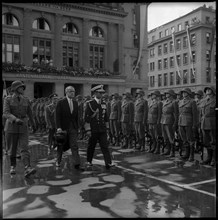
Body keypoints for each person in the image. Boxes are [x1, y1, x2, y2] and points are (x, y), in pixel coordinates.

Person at [3, 80, 37, 177]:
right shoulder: (8, 99)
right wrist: (15, 119)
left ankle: (28, 167)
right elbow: (6, 113)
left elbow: (30, 113)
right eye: (20, 87)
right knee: (12, 149)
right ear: (15, 89)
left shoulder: (26, 99)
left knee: (24, 147)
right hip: (11, 126)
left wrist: (33, 124)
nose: (22, 89)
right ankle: (12, 166)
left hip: (23, 126)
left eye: (23, 87)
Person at [84, 85, 114, 169]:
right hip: (93, 129)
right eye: (100, 93)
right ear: (95, 93)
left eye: (102, 93)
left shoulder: (103, 103)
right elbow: (86, 118)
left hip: (102, 129)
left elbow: (106, 117)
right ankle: (89, 161)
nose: (101, 95)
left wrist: (107, 128)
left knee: (104, 146)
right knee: (91, 146)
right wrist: (88, 130)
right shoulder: (90, 104)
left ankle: (108, 162)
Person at [55, 86, 84, 171]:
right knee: (61, 145)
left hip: (73, 127)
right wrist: (59, 127)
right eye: (71, 91)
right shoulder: (61, 102)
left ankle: (77, 164)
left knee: (74, 146)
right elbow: (57, 116)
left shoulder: (75, 103)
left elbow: (76, 116)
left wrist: (77, 127)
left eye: (74, 92)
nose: (73, 93)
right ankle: (58, 161)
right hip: (63, 127)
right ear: (66, 92)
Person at [178, 88, 197, 161]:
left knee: (190, 138)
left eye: (185, 92)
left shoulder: (192, 102)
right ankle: (187, 154)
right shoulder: (180, 102)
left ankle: (191, 155)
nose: (183, 94)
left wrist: (194, 125)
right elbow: (179, 113)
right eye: (183, 92)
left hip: (188, 122)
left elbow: (195, 114)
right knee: (184, 139)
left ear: (188, 93)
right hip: (181, 121)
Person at [200, 86, 216, 166]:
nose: (207, 91)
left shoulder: (215, 100)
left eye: (209, 89)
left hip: (212, 123)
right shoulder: (203, 101)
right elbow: (201, 113)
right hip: (204, 123)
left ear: (213, 91)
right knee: (206, 141)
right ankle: (209, 157)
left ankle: (214, 158)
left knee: (213, 141)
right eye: (206, 90)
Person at [160, 89, 178, 156]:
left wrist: (175, 123)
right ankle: (168, 150)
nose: (166, 94)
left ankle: (172, 151)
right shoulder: (165, 101)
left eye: (167, 93)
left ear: (171, 94)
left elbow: (176, 113)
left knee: (171, 136)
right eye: (166, 93)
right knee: (165, 136)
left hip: (170, 120)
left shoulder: (174, 102)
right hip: (163, 120)